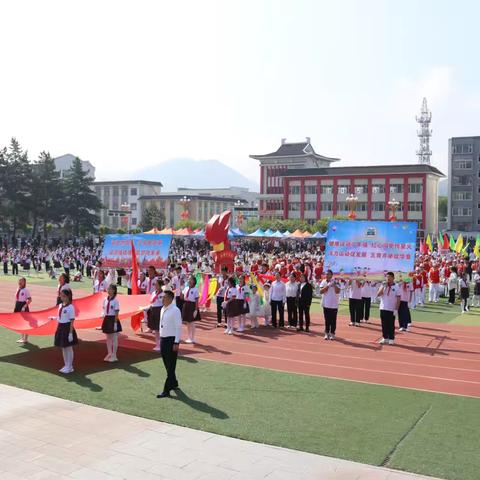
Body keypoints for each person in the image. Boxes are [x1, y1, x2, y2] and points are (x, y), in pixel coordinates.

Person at [157, 290, 182, 398]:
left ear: (171, 299)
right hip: (163, 339)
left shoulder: (175, 310)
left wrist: (176, 342)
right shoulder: (162, 309)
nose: (162, 299)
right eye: (162, 297)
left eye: (165, 297)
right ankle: (174, 382)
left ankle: (166, 390)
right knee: (168, 365)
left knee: (171, 366)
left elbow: (178, 327)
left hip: (171, 340)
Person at [53, 288, 78, 374]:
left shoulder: (71, 307)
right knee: (63, 347)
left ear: (68, 296)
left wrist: (70, 333)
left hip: (67, 328)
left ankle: (70, 366)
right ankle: (66, 365)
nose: (62, 297)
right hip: (60, 326)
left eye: (64, 296)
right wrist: (55, 318)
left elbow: (71, 321)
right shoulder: (60, 305)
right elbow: (61, 317)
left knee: (68, 348)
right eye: (61, 295)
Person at [377, 272, 401, 345]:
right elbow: (378, 294)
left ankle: (391, 338)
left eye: (390, 277)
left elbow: (399, 298)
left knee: (391, 324)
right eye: (387, 277)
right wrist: (384, 287)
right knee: (384, 324)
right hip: (383, 307)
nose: (388, 279)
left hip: (391, 308)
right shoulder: (383, 285)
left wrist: (396, 309)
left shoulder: (397, 286)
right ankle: (385, 338)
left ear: (393, 278)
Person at [101, 284, 121, 362]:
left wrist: (115, 323)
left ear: (114, 291)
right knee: (108, 338)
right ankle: (109, 353)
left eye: (110, 289)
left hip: (113, 319)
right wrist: (103, 314)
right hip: (107, 319)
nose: (108, 290)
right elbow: (104, 308)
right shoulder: (105, 299)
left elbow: (116, 312)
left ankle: (114, 355)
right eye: (108, 289)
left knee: (114, 338)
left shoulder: (115, 301)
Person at [319, 270, 340, 340]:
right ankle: (326, 333)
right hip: (326, 304)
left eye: (329, 274)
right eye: (326, 274)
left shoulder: (336, 281)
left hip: (334, 304)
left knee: (333, 320)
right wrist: (327, 286)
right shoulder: (323, 281)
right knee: (327, 320)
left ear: (332, 275)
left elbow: (338, 291)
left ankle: (332, 333)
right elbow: (321, 291)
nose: (327, 275)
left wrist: (334, 285)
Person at [181, 276, 200, 344]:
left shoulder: (195, 289)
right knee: (187, 322)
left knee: (192, 322)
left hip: (192, 305)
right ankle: (189, 337)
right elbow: (182, 297)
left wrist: (196, 309)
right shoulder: (186, 288)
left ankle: (193, 338)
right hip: (186, 304)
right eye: (188, 279)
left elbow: (196, 300)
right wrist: (181, 289)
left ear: (194, 281)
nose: (189, 280)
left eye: (190, 279)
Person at [147, 279, 164, 351]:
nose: (155, 286)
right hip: (153, 310)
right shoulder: (154, 293)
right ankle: (158, 344)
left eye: (156, 284)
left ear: (160, 286)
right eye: (155, 284)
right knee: (156, 329)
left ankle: (161, 345)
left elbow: (163, 303)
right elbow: (151, 302)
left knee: (159, 329)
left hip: (159, 310)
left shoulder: (163, 294)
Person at [14, 277, 32, 344]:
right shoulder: (18, 289)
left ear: (24, 282)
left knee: (26, 323)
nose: (20, 282)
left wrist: (24, 306)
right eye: (19, 281)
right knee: (20, 322)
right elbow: (17, 299)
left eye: (21, 281)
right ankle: (22, 338)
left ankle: (26, 339)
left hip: (23, 306)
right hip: (18, 305)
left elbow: (29, 299)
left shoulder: (26, 290)